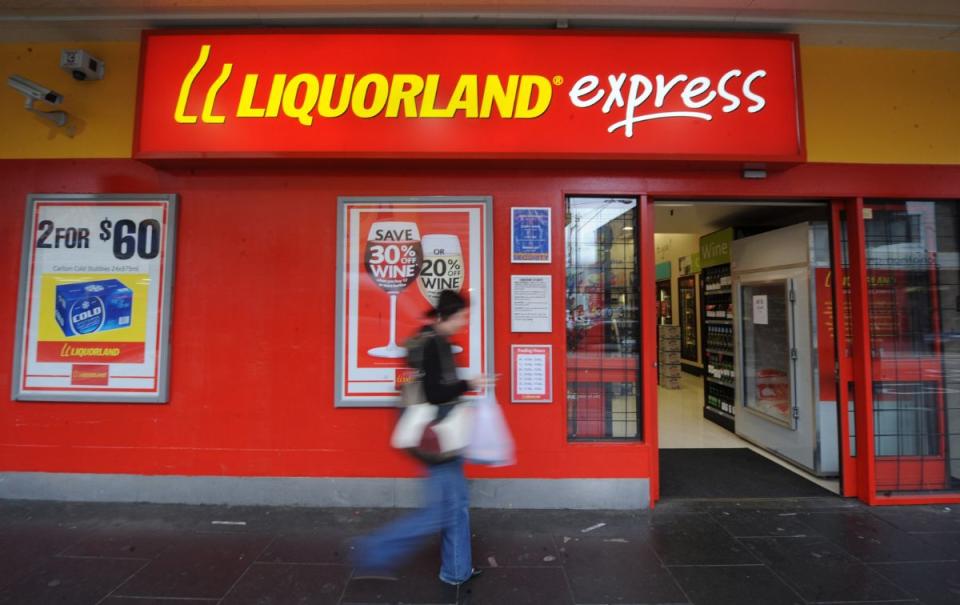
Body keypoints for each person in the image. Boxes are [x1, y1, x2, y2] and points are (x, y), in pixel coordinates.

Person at [353, 289, 490, 585]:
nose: (464, 323)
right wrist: (470, 383)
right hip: (437, 438)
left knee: (458, 505)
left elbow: (419, 387)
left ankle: (457, 570)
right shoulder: (433, 345)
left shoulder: (430, 340)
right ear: (445, 316)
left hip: (440, 437)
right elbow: (434, 392)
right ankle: (375, 549)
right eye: (461, 317)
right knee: (441, 512)